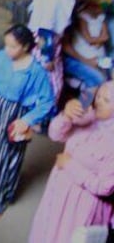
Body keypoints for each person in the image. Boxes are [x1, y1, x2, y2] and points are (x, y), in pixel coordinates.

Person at [0, 24, 56, 218]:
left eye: (12, 46)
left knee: (6, 158)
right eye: (6, 45)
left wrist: (27, 120)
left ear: (25, 47)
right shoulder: (1, 58)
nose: (7, 50)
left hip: (15, 117)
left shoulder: (36, 71)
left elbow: (47, 102)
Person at [28, 81, 114, 243]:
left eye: (107, 100)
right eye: (99, 96)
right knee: (46, 231)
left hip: (82, 205)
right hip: (59, 191)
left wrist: (70, 166)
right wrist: (66, 115)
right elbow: (56, 134)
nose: (99, 102)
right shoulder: (89, 116)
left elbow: (105, 187)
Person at [63, 2, 110, 106]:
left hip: (84, 58)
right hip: (70, 60)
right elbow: (66, 48)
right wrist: (87, 61)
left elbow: (104, 36)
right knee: (97, 78)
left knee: (105, 77)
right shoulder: (68, 23)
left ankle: (90, 105)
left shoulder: (98, 18)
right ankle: (83, 108)